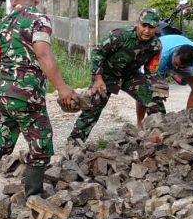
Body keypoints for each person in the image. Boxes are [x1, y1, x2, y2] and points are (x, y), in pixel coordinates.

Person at [0, 0, 80, 211]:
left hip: (3, 93)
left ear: (13, 1)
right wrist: (61, 87)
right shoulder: (39, 20)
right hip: (27, 95)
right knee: (41, 141)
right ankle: (33, 196)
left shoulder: (1, 24)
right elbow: (43, 53)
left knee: (0, 136)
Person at [68, 8, 165, 144]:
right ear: (137, 23)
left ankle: (159, 138)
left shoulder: (155, 46)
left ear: (157, 28)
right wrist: (97, 78)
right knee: (93, 108)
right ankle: (74, 143)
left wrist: (155, 84)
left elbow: (151, 70)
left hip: (130, 76)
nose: (147, 30)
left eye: (151, 27)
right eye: (144, 25)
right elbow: (97, 53)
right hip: (107, 75)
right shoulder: (120, 35)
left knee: (154, 100)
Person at [148, 32, 193, 117]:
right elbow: (155, 86)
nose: (177, 68)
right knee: (149, 88)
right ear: (175, 53)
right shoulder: (162, 55)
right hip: (158, 56)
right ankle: (141, 121)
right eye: (176, 64)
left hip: (173, 58)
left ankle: (189, 116)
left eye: (182, 67)